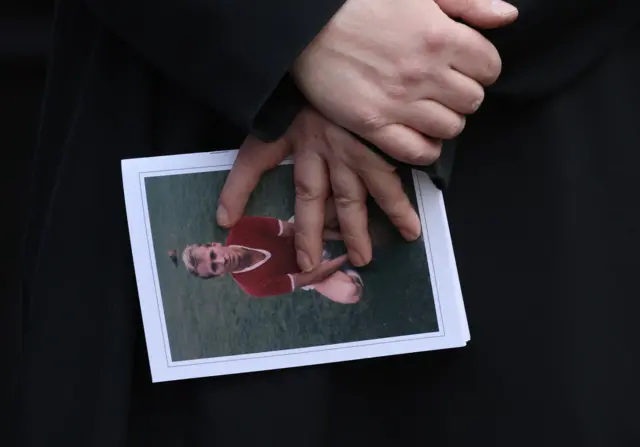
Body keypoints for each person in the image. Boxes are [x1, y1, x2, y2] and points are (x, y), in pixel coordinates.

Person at [16, 0, 640, 446]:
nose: (215, 259)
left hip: (525, 137)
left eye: (205, 256)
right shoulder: (248, 279)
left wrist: (409, 49)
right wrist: (300, 28)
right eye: (209, 266)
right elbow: (305, 269)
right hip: (204, 107)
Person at [172, 215, 363, 303]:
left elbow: (296, 230)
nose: (221, 261)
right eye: (215, 267)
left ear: (214, 244)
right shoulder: (253, 287)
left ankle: (343, 231)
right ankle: (345, 272)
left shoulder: (242, 227)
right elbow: (310, 278)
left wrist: (346, 238)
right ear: (220, 275)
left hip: (301, 238)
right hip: (309, 271)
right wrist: (350, 253)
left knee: (324, 208)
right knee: (351, 292)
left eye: (213, 256)